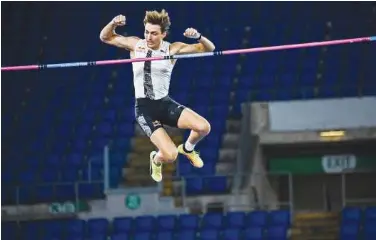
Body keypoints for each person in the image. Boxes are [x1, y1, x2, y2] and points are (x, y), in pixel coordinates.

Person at [99, 9, 215, 182]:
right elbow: (105, 37)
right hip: (145, 109)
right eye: (146, 32)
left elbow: (209, 49)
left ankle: (189, 149)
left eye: (154, 33)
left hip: (164, 104)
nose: (149, 37)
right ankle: (156, 158)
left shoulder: (172, 48)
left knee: (204, 127)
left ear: (163, 34)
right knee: (170, 156)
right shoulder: (135, 44)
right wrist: (113, 23)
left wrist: (198, 36)